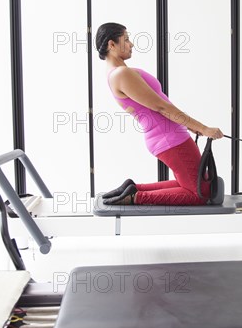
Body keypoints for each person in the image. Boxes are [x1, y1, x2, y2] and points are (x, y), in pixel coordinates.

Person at [96, 22, 223, 206]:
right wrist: (203, 127)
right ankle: (135, 197)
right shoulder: (121, 74)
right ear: (111, 44)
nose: (131, 44)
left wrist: (190, 126)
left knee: (187, 184)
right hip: (169, 137)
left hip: (169, 135)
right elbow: (160, 107)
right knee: (199, 193)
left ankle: (134, 188)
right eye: (126, 39)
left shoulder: (119, 73)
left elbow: (158, 105)